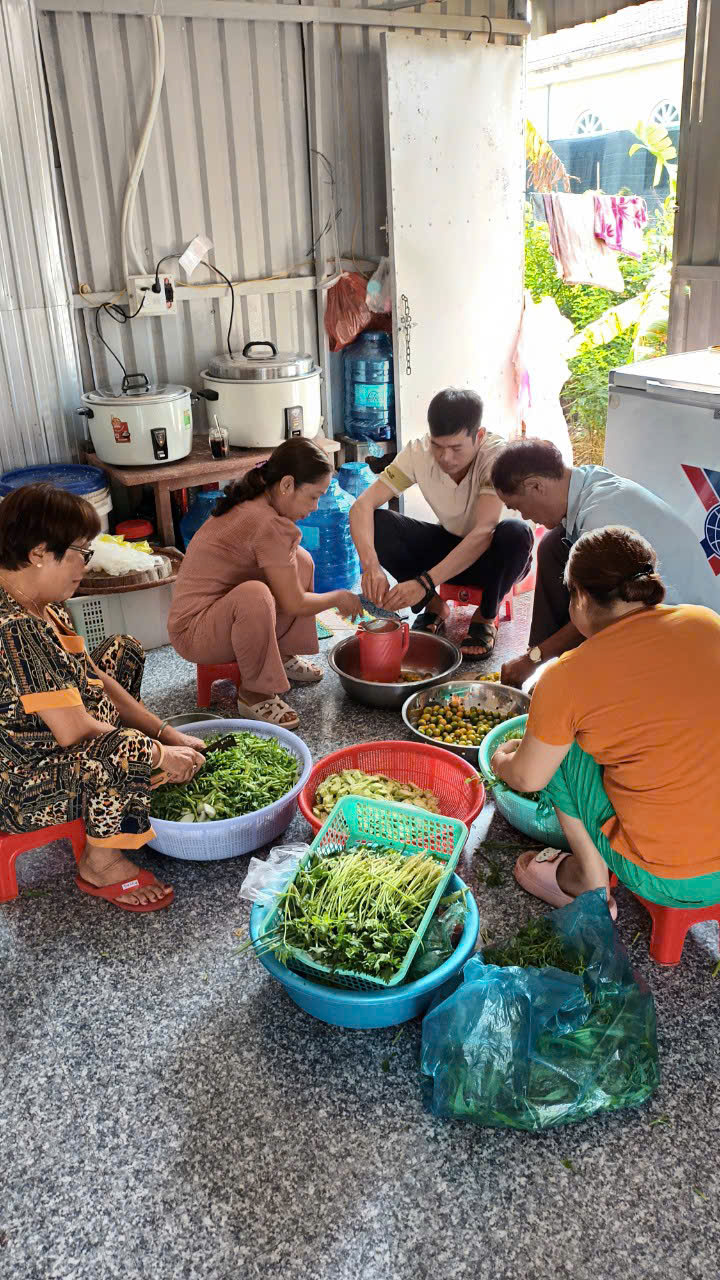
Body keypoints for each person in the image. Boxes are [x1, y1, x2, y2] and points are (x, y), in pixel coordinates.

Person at [491, 525, 720, 915]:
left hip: (667, 879)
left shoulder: (567, 676)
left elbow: (529, 778)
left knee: (560, 750)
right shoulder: (706, 622)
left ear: (580, 597)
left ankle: (588, 880)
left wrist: (502, 761)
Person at [0, 484, 206, 914]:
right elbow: (75, 730)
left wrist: (165, 733)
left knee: (123, 650)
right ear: (39, 553)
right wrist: (155, 754)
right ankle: (101, 863)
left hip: (49, 737)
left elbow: (95, 677)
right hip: (19, 785)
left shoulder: (41, 604)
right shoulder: (14, 628)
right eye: (80, 552)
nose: (86, 564)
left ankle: (119, 792)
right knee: (124, 749)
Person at [491, 438, 719, 687]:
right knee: (553, 544)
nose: (525, 516)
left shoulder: (601, 516)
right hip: (646, 599)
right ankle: (547, 665)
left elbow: (604, 608)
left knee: (579, 682)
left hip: (681, 630)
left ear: (536, 486)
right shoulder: (586, 481)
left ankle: (554, 669)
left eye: (519, 506)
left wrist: (534, 659)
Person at [169, 438, 362, 729]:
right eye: (313, 497)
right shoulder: (266, 523)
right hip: (193, 631)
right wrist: (339, 597)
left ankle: (282, 654)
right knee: (255, 595)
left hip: (214, 614)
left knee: (302, 561)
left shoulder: (260, 497)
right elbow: (294, 603)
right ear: (287, 484)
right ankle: (255, 693)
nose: (315, 507)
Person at [348, 388, 533, 658]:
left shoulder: (495, 456)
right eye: (437, 446)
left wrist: (424, 582)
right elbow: (361, 506)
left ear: (479, 436)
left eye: (456, 448)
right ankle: (434, 605)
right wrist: (371, 567)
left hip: (497, 562)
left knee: (516, 532)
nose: (445, 458)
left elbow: (483, 532)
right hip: (449, 552)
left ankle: (485, 616)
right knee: (380, 523)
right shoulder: (419, 452)